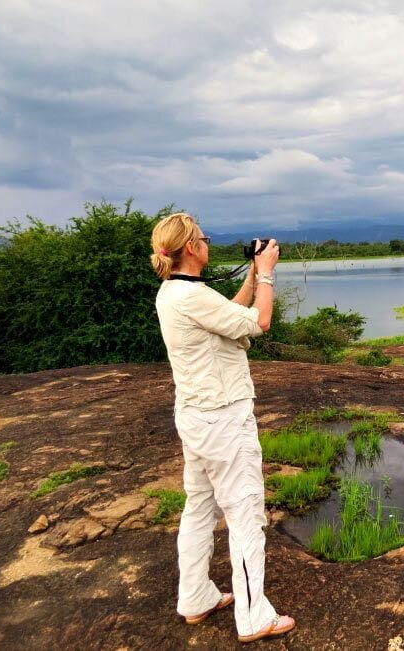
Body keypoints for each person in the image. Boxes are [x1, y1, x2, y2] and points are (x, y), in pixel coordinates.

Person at [149, 213, 295, 644]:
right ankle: (254, 617)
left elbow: (228, 314)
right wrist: (267, 275)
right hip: (223, 419)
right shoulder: (189, 296)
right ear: (191, 247)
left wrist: (252, 275)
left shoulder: (179, 292)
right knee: (245, 511)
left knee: (199, 508)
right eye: (204, 238)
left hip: (197, 417)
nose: (208, 243)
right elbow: (258, 322)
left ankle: (195, 597)